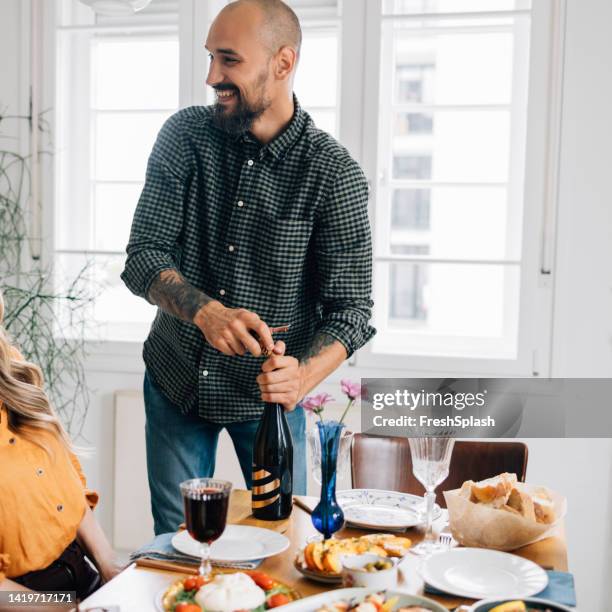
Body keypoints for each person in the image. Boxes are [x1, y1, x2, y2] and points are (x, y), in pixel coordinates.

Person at [121, 0, 375, 535]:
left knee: (283, 539)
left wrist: (301, 377)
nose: (212, 76)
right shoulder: (184, 137)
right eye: (210, 57)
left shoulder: (335, 176)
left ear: (283, 63)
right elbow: (143, 255)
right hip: (176, 380)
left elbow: (352, 311)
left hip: (270, 407)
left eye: (229, 60)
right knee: (179, 544)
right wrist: (206, 313)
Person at [0, 291, 120, 600]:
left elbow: (68, 487)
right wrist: (65, 609)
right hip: (25, 600)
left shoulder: (12, 369)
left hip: (82, 573)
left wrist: (110, 569)